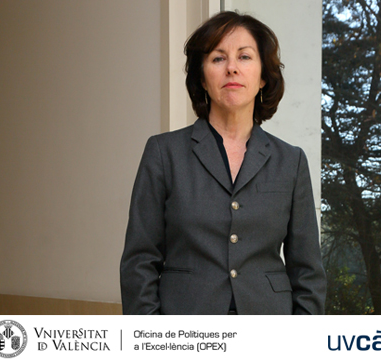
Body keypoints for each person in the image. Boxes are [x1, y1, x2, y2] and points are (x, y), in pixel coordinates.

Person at [120, 11, 326, 315]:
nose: (232, 68)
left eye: (244, 57)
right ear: (202, 78)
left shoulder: (291, 161)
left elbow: (308, 271)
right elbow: (139, 261)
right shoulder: (164, 153)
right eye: (218, 58)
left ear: (263, 77)